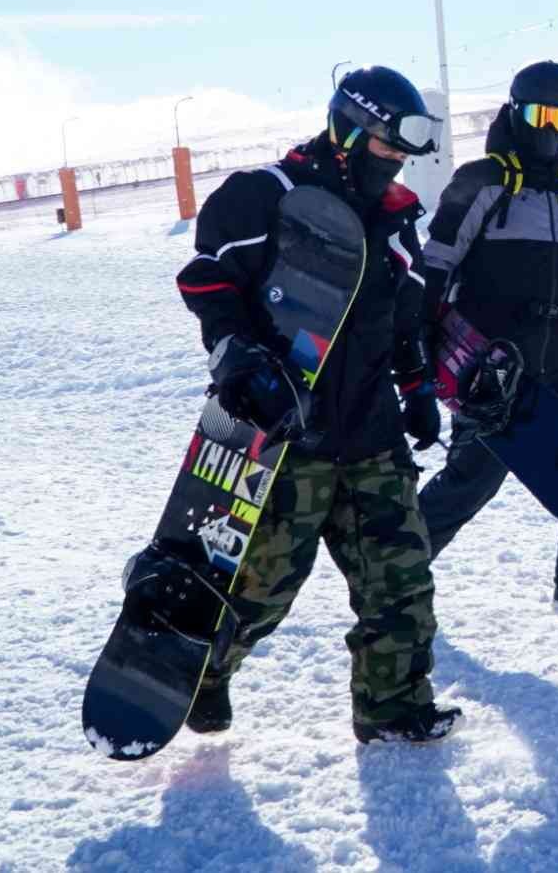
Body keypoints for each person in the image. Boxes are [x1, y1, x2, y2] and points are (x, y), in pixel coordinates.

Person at [174, 65, 461, 743]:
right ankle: (197, 673)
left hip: (371, 436)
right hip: (284, 436)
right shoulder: (265, 197)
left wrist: (417, 390)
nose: (395, 166)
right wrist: (234, 353)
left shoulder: (394, 220)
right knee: (262, 590)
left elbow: (402, 322)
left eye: (403, 156)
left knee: (402, 584)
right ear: (348, 130)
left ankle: (392, 708)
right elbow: (207, 279)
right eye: (388, 148)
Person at [417, 60, 558, 610]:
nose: (547, 127)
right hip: (493, 367)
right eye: (536, 113)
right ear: (514, 112)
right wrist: (419, 352)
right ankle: (394, 577)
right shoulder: (482, 180)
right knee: (471, 481)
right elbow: (435, 268)